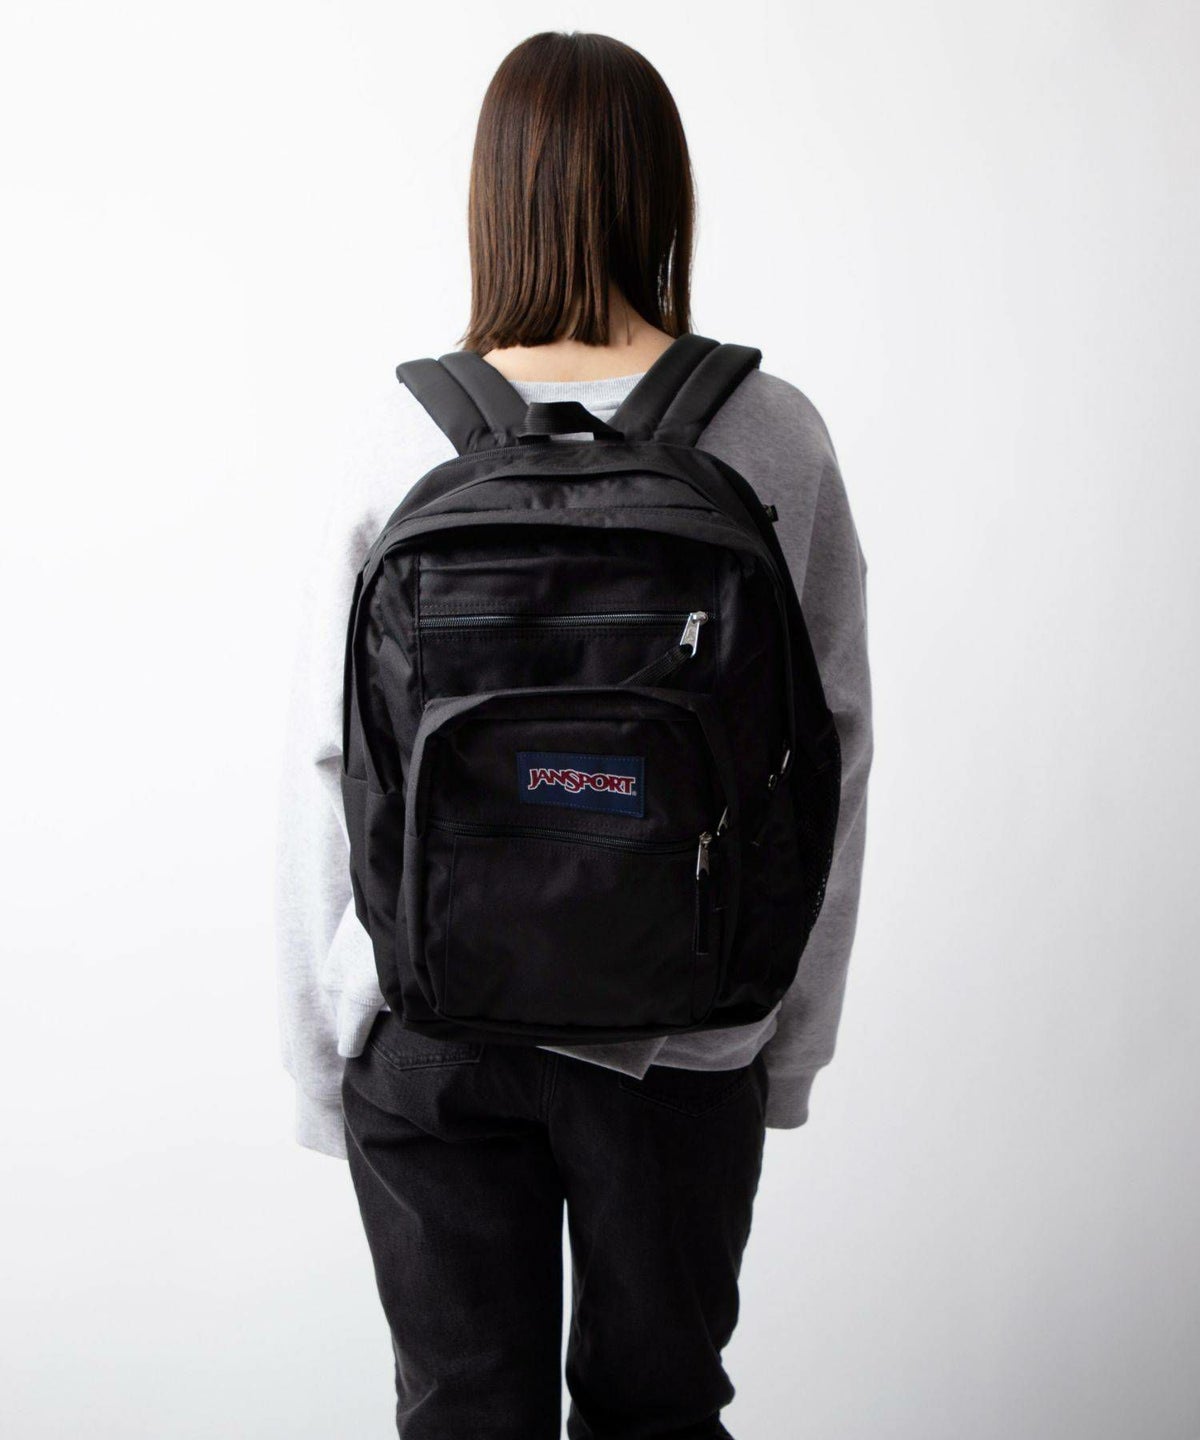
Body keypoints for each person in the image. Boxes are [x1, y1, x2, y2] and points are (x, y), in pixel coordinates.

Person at [276, 29, 873, 1440]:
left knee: (461, 1416)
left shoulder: (393, 435)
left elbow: (325, 762)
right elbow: (836, 754)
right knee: (657, 1415)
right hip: (687, 1032)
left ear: (493, 197)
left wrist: (320, 1049)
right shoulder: (774, 431)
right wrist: (787, 1045)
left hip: (430, 1023)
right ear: (665, 192)